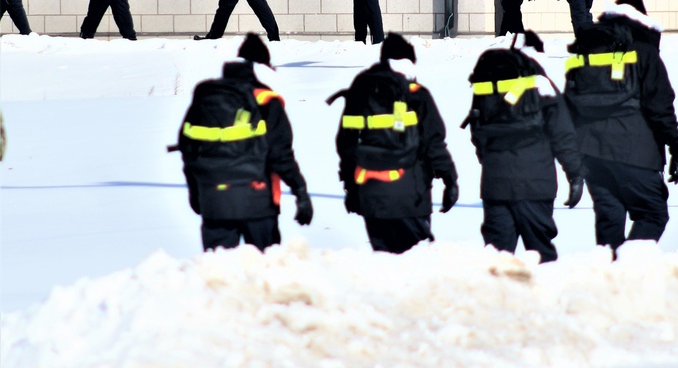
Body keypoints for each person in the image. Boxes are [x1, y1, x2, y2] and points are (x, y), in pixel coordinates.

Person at [563, 0, 678, 254]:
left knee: (609, 218)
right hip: (635, 151)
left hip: (590, 152)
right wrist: (676, 146)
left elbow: (568, 106)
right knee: (652, 214)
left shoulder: (586, 53)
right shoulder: (644, 53)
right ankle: (628, 269)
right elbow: (660, 106)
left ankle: (609, 281)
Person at [177, 33, 313, 252]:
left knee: (218, 276)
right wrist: (300, 191)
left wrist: (196, 191)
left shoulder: (206, 96)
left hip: (213, 199)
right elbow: (280, 154)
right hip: (257, 200)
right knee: (263, 271)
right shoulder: (266, 99)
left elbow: (188, 148)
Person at [462, 30, 585, 263]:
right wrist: (575, 173)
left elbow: (476, 130)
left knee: (497, 261)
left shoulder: (490, 81)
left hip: (495, 184)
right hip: (537, 185)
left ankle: (498, 299)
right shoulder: (542, 84)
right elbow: (563, 134)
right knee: (541, 258)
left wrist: (490, 159)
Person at [332, 33, 459, 253]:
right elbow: (434, 143)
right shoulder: (417, 95)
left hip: (371, 196)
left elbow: (346, 145)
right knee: (414, 266)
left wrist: (351, 189)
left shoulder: (362, 91)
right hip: (412, 198)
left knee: (384, 268)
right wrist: (450, 180)